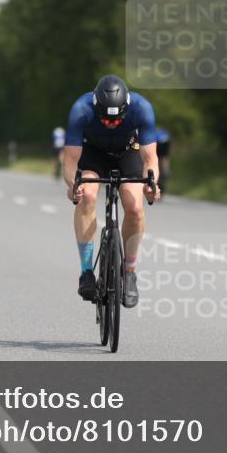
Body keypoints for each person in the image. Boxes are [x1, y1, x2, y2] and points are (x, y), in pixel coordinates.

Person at [64, 74, 160, 308]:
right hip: (93, 154)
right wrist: (72, 186)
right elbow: (70, 162)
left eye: (116, 120)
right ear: (97, 108)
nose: (111, 124)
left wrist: (152, 185)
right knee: (86, 195)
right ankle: (87, 271)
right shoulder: (80, 109)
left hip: (128, 152)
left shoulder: (142, 108)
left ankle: (129, 272)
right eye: (106, 120)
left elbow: (150, 159)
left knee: (135, 208)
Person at [155, 127, 172, 194]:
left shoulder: (152, 131)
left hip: (158, 142)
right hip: (166, 141)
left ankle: (159, 170)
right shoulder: (165, 132)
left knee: (156, 158)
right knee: (165, 157)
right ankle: (166, 170)